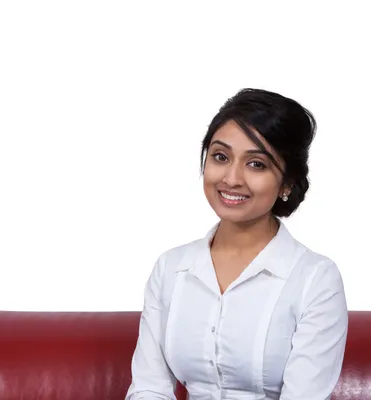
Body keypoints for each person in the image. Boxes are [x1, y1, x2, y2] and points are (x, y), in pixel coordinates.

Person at [125, 88, 348, 400]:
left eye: (256, 164)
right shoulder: (171, 268)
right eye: (220, 157)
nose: (231, 178)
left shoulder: (315, 279)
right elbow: (149, 387)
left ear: (286, 182)